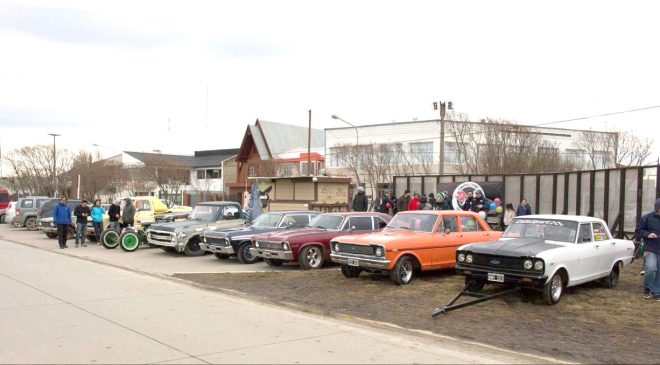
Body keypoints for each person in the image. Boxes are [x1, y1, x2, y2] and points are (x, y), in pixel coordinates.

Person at [635, 198, 660, 300]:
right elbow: (638, 231)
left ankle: (656, 292)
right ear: (657, 208)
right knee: (651, 267)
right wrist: (648, 234)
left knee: (659, 271)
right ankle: (647, 288)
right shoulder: (647, 218)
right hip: (650, 248)